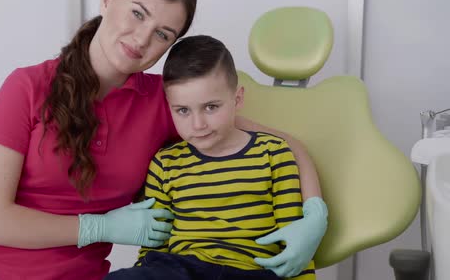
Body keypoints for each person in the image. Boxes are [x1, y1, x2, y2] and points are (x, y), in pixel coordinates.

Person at [0, 0, 325, 280]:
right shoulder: (28, 86)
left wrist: (314, 217)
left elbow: (284, 143)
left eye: (164, 33)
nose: (143, 38)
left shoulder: (164, 104)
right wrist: (100, 228)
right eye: (138, 13)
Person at [105, 35, 325, 280]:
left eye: (211, 107)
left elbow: (296, 244)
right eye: (183, 110)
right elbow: (155, 246)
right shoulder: (165, 164)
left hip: (250, 271)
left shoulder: (273, 154)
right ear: (170, 107)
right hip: (181, 269)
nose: (198, 125)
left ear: (237, 99)